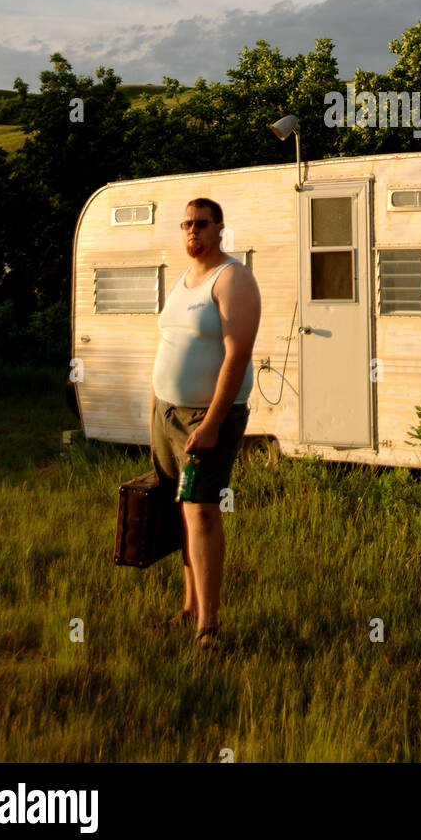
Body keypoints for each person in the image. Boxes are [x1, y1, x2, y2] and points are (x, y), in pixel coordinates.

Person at [149, 197, 261, 649]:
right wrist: (153, 408)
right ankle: (188, 608)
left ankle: (208, 629)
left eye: (201, 224)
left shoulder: (232, 278)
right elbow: (168, 345)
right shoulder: (182, 281)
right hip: (167, 414)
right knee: (181, 511)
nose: (192, 232)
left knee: (202, 510)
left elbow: (238, 354)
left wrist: (212, 423)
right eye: (186, 224)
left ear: (219, 229)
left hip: (207, 416)